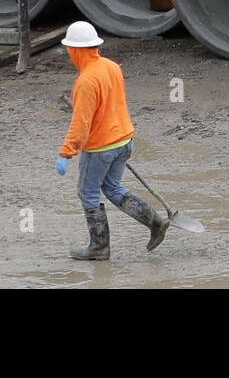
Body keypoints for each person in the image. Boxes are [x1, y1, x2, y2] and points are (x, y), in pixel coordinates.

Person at [55, 20, 168, 260]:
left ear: (74, 50)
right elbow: (107, 105)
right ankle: (155, 222)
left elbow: (81, 124)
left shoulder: (86, 81)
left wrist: (67, 151)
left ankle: (99, 248)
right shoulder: (111, 67)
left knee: (88, 193)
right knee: (113, 187)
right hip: (124, 141)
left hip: (101, 148)